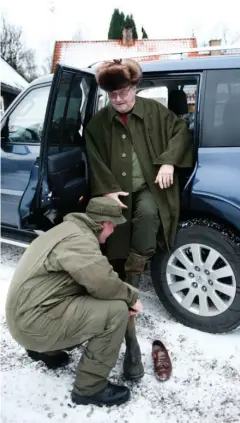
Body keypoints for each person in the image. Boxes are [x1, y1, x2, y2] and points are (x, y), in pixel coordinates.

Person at [85, 58, 194, 381]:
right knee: (114, 232)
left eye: (123, 91)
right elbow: (94, 161)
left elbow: (180, 131)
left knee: (148, 214)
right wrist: (106, 192)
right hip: (116, 192)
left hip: (147, 187)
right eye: (112, 94)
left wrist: (168, 163)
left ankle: (135, 274)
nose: (118, 99)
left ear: (135, 87)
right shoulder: (97, 124)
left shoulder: (155, 112)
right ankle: (123, 292)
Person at [5, 197, 143, 407]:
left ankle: (46, 352)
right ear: (105, 223)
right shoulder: (81, 241)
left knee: (91, 297)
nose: (113, 231)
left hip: (23, 318)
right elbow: (103, 283)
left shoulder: (67, 229)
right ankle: (90, 388)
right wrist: (131, 298)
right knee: (116, 311)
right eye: (113, 226)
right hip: (32, 325)